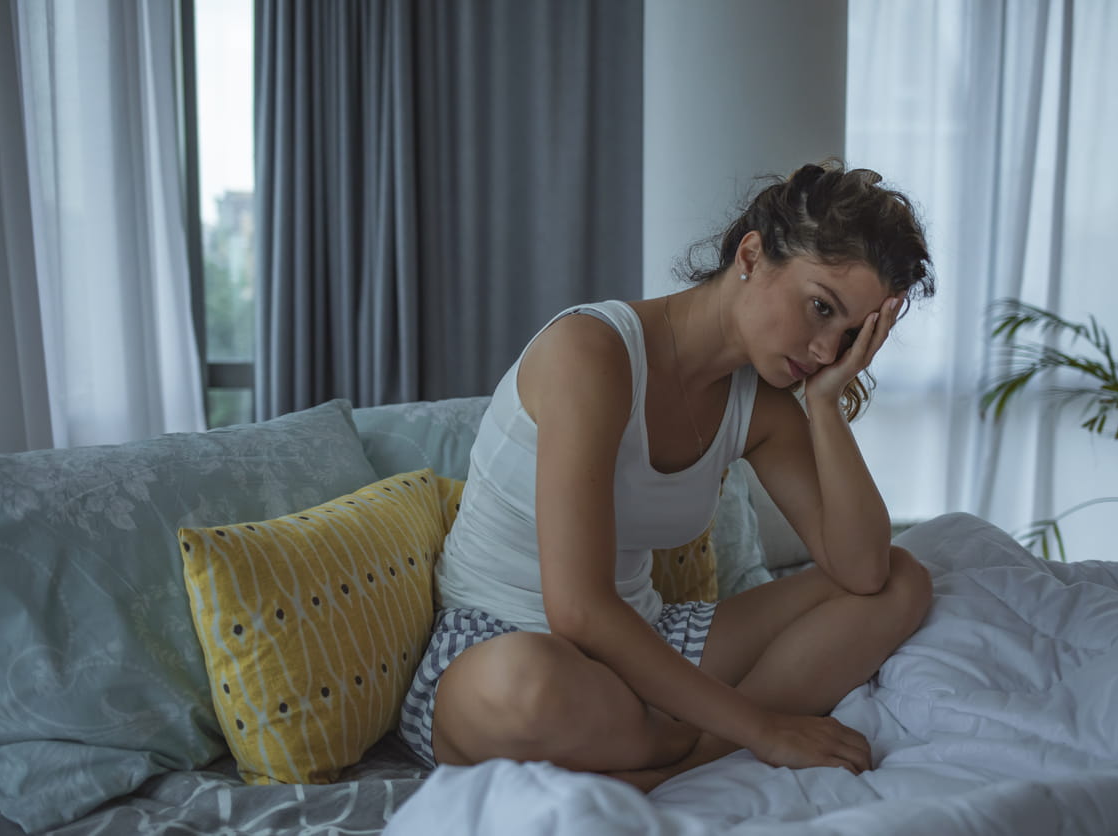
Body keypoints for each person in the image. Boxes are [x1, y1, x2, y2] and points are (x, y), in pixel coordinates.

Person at [398, 159, 936, 792]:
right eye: (820, 308)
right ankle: (701, 742)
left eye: (850, 336)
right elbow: (578, 612)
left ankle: (680, 760)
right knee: (526, 686)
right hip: (502, 645)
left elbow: (863, 569)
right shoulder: (591, 352)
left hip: (647, 644)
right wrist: (764, 728)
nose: (824, 350)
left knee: (902, 581)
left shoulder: (763, 405)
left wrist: (825, 405)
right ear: (753, 254)